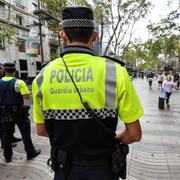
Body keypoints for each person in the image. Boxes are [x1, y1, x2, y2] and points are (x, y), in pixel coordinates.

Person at [32, 6, 144, 180]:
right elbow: (134, 134)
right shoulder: (115, 71)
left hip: (64, 169)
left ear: (63, 35)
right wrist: (114, 139)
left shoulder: (42, 76)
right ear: (94, 36)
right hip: (104, 169)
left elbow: (41, 130)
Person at [0, 63, 41, 163]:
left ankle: (7, 156)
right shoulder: (19, 82)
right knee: (25, 133)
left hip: (5, 112)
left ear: (4, 71)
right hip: (19, 112)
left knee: (6, 134)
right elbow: (26, 96)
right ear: (14, 71)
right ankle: (30, 153)